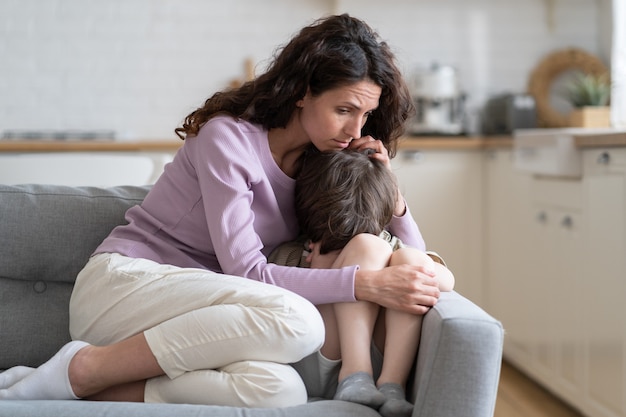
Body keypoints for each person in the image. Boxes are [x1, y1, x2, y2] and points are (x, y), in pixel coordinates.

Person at [0, 14, 441, 407]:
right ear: (304, 93)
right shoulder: (227, 140)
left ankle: (73, 385)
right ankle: (84, 368)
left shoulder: (322, 163)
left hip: (208, 314)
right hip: (127, 287)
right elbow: (247, 273)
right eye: (344, 109)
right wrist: (366, 285)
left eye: (365, 115)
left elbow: (412, 263)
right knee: (300, 321)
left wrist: (394, 198)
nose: (354, 130)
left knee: (281, 390)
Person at [269, 149, 454, 417]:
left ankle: (393, 386)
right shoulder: (298, 251)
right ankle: (355, 374)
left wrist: (408, 263)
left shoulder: (388, 244)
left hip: (378, 372)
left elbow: (446, 280)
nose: (342, 248)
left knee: (406, 257)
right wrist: (324, 274)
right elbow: (266, 293)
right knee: (370, 247)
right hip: (318, 360)